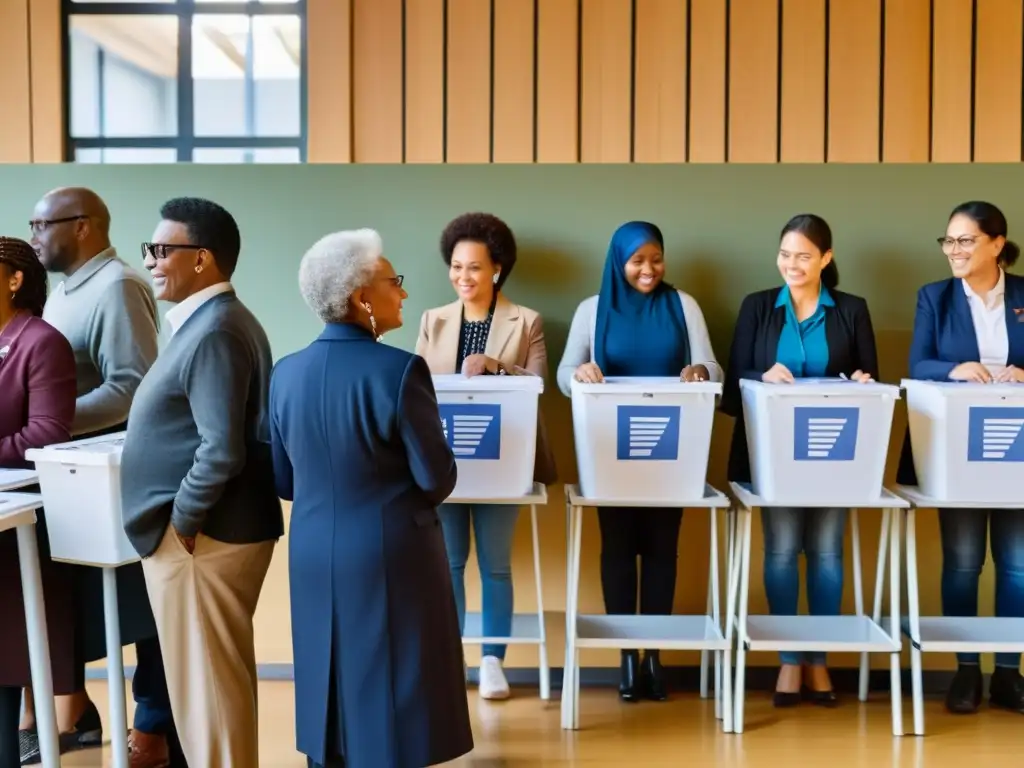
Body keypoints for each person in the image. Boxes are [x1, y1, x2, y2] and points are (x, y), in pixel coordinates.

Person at [270, 229, 474, 768]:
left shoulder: (285, 373)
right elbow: (437, 479)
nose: (403, 294)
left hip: (312, 548)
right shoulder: (401, 371)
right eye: (394, 282)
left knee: (324, 674)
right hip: (391, 552)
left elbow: (284, 480)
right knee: (393, 691)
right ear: (363, 298)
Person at [119, 197, 284, 767]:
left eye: (163, 250)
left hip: (202, 540)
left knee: (208, 695)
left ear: (203, 260)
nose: (151, 261)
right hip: (200, 538)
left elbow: (220, 450)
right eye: (150, 249)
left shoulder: (215, 329)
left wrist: (182, 523)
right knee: (208, 690)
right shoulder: (210, 323)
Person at [28, 186, 179, 767]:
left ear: (84, 226)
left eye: (43, 225)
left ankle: (152, 730)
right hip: (70, 473)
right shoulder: (67, 291)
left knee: (140, 611)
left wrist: (46, 419)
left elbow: (131, 386)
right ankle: (76, 713)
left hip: (112, 478)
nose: (35, 236)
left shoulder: (117, 285)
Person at [556, 221, 722, 702]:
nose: (648, 269)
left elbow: (714, 368)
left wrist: (699, 370)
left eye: (656, 259)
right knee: (617, 547)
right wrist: (582, 373)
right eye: (637, 261)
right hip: (610, 451)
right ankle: (626, 656)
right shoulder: (593, 310)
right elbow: (566, 373)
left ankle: (656, 655)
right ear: (618, 262)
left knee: (661, 549)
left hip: (673, 450)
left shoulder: (682, 305)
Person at [721, 213, 878, 708]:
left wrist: (862, 381)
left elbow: (872, 376)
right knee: (783, 551)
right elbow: (734, 379)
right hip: (774, 454)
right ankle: (789, 660)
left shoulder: (852, 309)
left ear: (826, 259)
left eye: (804, 256)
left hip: (835, 454)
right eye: (785, 254)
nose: (793, 264)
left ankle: (819, 659)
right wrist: (763, 375)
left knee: (828, 552)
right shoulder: (758, 306)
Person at [416, 212, 557, 700]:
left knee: (495, 565)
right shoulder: (432, 320)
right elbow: (417, 392)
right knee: (449, 564)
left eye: (474, 267)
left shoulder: (528, 321)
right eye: (456, 267)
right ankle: (450, 657)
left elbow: (537, 386)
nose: (463, 277)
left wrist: (497, 366)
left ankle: (493, 660)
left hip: (502, 460)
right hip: (446, 463)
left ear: (497, 269)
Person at [898, 200, 1024, 714]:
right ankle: (966, 671)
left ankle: (1011, 673)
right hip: (959, 448)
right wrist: (956, 369)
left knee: (1017, 566)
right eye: (948, 241)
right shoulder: (935, 297)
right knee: (964, 562)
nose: (954, 250)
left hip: (1016, 447)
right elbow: (919, 361)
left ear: (997, 244)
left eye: (965, 240)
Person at [0, 237, 78, 768]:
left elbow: (48, 433)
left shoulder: (41, 341)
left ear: (13, 279)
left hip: (17, 524)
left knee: (7, 668)